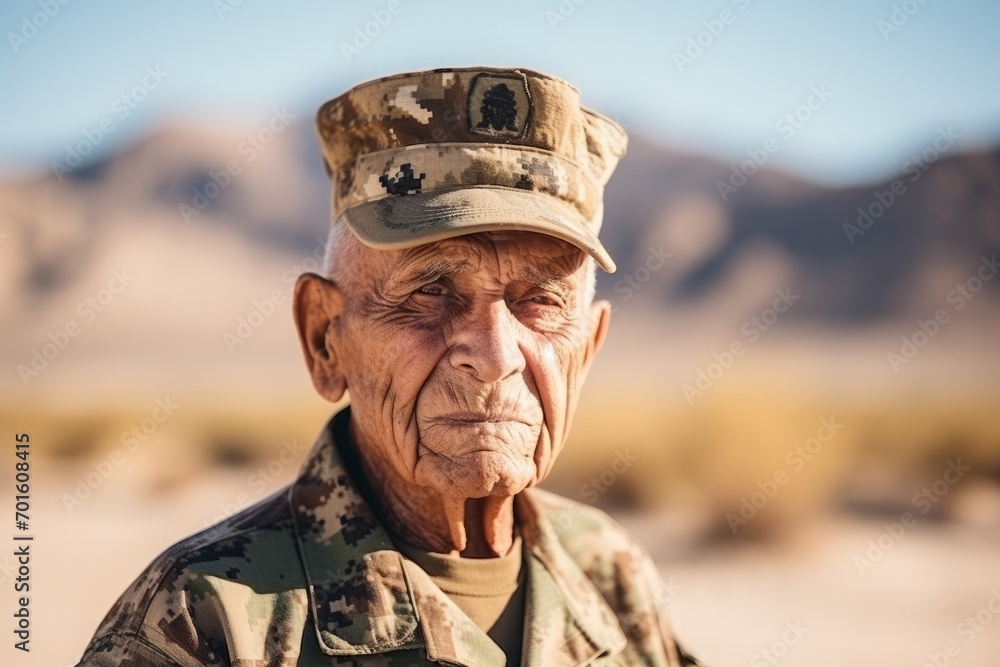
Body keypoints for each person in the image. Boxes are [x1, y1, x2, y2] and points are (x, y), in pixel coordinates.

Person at [76, 66, 702, 667]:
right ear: (325, 337)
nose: (492, 355)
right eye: (430, 292)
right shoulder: (203, 616)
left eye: (538, 301)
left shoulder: (611, 573)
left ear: (586, 351)